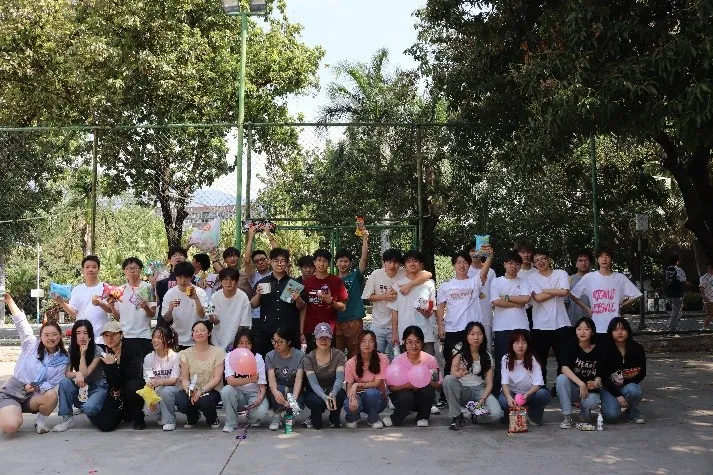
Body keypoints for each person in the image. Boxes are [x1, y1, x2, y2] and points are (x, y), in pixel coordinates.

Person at [0, 293, 68, 435]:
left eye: (54, 334)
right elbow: (20, 322)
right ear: (40, 337)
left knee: (51, 395)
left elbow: (52, 382)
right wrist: (9, 300)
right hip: (12, 391)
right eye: (46, 335)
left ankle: (40, 421)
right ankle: (9, 411)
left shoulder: (63, 359)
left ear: (60, 336)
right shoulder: (31, 344)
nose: (51, 338)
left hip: (33, 395)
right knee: (10, 427)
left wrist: (37, 386)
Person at [436, 247, 493, 402]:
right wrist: (440, 327)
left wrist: (489, 256)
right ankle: (446, 396)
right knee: (450, 361)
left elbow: (484, 273)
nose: (462, 265)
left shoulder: (474, 282)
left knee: (474, 361)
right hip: (452, 329)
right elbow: (440, 307)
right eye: (458, 262)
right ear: (454, 265)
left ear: (469, 265)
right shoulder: (446, 286)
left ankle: (479, 393)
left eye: (465, 262)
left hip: (471, 331)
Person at [362, 248, 432, 357]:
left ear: (400, 264)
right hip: (378, 324)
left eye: (395, 262)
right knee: (374, 356)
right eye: (389, 262)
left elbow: (428, 274)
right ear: (383, 263)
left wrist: (409, 285)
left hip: (397, 326)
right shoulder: (376, 274)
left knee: (395, 358)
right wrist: (384, 296)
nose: (392, 265)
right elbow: (367, 297)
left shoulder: (403, 272)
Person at [442, 321, 503, 430]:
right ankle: (456, 416)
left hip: (479, 390)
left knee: (497, 414)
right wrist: (459, 374)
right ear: (467, 336)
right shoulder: (459, 351)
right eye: (472, 334)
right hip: (462, 389)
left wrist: (483, 399)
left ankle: (472, 415)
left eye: (479, 334)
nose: (476, 337)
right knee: (448, 379)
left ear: (483, 336)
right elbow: (452, 372)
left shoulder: (487, 356)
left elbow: (489, 383)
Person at [569, 247, 642, 334]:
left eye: (607, 256)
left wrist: (621, 305)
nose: (604, 259)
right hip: (596, 325)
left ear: (611, 259)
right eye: (601, 256)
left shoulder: (620, 277)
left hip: (615, 326)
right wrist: (587, 309)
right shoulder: (589, 277)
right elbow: (573, 295)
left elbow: (636, 295)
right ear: (597, 259)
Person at [490, 250, 531, 395]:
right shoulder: (497, 281)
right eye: (510, 263)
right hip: (502, 328)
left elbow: (525, 299)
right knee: (502, 362)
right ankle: (499, 394)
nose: (514, 266)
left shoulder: (524, 282)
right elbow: (496, 301)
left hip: (521, 326)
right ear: (505, 264)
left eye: (517, 264)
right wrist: (516, 302)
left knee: (523, 361)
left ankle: (524, 393)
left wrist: (506, 297)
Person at [53, 320, 107, 432]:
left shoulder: (98, 350)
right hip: (82, 386)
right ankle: (67, 419)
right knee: (64, 382)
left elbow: (85, 373)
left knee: (90, 409)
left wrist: (83, 355)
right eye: (78, 333)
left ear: (90, 335)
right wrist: (77, 374)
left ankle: (90, 407)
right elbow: (67, 373)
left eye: (85, 333)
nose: (82, 337)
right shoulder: (72, 349)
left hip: (98, 387)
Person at [528, 249, 571, 388]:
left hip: (561, 324)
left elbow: (565, 292)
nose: (540, 262)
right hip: (540, 326)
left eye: (543, 258)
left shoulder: (561, 273)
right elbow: (538, 298)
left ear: (548, 259)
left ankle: (560, 389)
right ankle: (541, 389)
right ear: (533, 264)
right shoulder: (532, 277)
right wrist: (556, 290)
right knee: (540, 362)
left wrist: (545, 290)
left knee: (564, 361)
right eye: (536, 260)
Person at [94, 321, 146, 431]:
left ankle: (138, 418)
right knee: (104, 425)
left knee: (133, 386)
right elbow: (111, 383)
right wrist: (111, 366)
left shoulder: (133, 349)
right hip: (116, 392)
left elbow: (134, 375)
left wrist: (115, 367)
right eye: (106, 335)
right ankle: (124, 413)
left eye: (113, 334)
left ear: (121, 334)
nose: (110, 338)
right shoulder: (105, 353)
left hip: (133, 390)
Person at [252, 248, 305, 355]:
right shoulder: (262, 282)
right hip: (267, 330)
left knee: (291, 359)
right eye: (276, 261)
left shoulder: (294, 283)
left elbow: (301, 306)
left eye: (283, 261)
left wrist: (298, 299)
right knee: (267, 359)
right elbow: (253, 305)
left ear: (287, 263)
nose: (279, 264)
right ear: (270, 262)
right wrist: (258, 295)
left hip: (289, 331)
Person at [387, 326, 442, 427]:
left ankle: (422, 417)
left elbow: (438, 386)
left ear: (422, 343)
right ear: (404, 343)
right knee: (407, 396)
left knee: (427, 391)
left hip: (422, 398)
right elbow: (391, 387)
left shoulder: (430, 360)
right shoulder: (397, 360)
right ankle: (395, 418)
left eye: (417, 342)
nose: (413, 345)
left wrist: (424, 380)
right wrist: (409, 385)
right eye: (409, 342)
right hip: (403, 398)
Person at [175, 320, 225, 428]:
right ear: (192, 334)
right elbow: (185, 379)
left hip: (211, 390)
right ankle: (192, 417)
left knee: (205, 401)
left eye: (202, 330)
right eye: (196, 331)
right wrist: (189, 391)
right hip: (192, 389)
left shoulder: (218, 352)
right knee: (181, 400)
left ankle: (212, 418)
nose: (199, 333)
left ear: (209, 333)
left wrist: (200, 391)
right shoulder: (185, 353)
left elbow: (217, 379)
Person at [52, 255, 111, 346]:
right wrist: (61, 302)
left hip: (101, 338)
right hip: (82, 338)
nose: (90, 269)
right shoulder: (77, 289)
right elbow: (73, 313)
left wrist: (99, 303)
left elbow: (111, 309)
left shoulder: (105, 287)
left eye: (94, 267)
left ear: (99, 269)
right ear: (83, 270)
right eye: (87, 267)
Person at [555, 317, 602, 428]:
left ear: (592, 332)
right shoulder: (570, 345)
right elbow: (564, 368)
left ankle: (585, 410)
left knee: (592, 402)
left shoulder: (599, 348)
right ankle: (567, 417)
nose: (582, 332)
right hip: (573, 388)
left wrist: (596, 382)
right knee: (561, 379)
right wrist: (581, 384)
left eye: (586, 329)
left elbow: (602, 372)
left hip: (590, 390)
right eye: (579, 329)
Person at [498, 330, 551, 425]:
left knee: (544, 394)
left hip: (529, 393)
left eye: (524, 342)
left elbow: (538, 384)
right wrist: (509, 397)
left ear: (528, 344)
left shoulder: (533, 359)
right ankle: (511, 415)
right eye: (517, 342)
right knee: (504, 402)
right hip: (512, 392)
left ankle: (533, 414)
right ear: (511, 344)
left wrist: (526, 394)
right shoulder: (505, 358)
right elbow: (504, 383)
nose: (520, 346)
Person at [388, 250, 437, 355]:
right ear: (404, 265)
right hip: (405, 334)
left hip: (425, 335)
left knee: (428, 364)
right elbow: (394, 311)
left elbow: (431, 309)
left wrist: (426, 312)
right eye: (408, 261)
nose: (412, 264)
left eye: (415, 261)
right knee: (406, 365)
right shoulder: (397, 285)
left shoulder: (429, 284)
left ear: (421, 264)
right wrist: (394, 333)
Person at [221, 328, 269, 432]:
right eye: (241, 343)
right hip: (237, 393)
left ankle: (252, 417)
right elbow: (230, 381)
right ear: (236, 344)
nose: (244, 346)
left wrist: (259, 399)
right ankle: (231, 423)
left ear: (252, 344)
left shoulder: (258, 358)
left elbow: (262, 385)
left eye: (248, 343)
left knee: (261, 412)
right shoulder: (230, 356)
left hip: (254, 393)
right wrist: (250, 379)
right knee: (226, 390)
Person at [599, 317, 647, 423]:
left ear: (628, 331)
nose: (619, 333)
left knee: (634, 390)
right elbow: (603, 376)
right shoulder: (605, 349)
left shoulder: (637, 348)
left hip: (627, 385)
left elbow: (642, 372)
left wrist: (626, 382)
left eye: (623, 329)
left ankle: (632, 412)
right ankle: (607, 405)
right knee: (611, 417)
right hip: (609, 387)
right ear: (610, 332)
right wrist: (617, 395)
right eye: (615, 330)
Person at [300, 249, 348, 353]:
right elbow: (303, 308)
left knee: (329, 360)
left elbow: (343, 307)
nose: (321, 264)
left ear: (329, 264)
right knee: (311, 360)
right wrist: (301, 332)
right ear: (314, 262)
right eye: (319, 260)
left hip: (329, 330)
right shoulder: (306, 283)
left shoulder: (336, 281)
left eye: (325, 261)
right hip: (310, 330)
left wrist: (330, 302)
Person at [344, 330, 391, 429]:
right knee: (349, 401)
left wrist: (356, 385)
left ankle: (373, 418)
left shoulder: (382, 359)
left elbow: (376, 383)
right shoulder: (351, 362)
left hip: (377, 398)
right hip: (358, 395)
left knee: (372, 393)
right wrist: (352, 399)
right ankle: (353, 417)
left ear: (375, 344)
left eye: (371, 341)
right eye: (364, 341)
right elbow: (349, 389)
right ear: (359, 343)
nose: (367, 344)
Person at [303, 323, 347, 429]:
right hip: (314, 391)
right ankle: (314, 417)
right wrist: (325, 397)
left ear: (331, 339)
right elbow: (313, 383)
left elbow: (339, 378)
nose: (324, 341)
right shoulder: (308, 358)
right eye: (320, 337)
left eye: (327, 337)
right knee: (317, 422)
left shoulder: (339, 355)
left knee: (340, 394)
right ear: (315, 339)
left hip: (332, 388)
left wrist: (333, 393)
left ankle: (334, 417)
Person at [334, 230, 369, 358]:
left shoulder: (356, 276)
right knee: (336, 355)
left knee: (355, 355)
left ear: (350, 263)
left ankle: (354, 372)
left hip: (354, 321)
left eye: (346, 261)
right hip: (336, 321)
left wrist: (364, 238)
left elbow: (363, 258)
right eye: (340, 261)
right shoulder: (332, 280)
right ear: (336, 262)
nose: (343, 264)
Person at [265, 326, 306, 431]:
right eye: (274, 341)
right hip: (279, 388)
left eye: (280, 342)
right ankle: (276, 414)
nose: (276, 345)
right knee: (279, 390)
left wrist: (294, 399)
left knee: (298, 403)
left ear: (289, 341)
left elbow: (298, 379)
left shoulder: (300, 356)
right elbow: (271, 379)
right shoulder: (270, 356)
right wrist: (275, 392)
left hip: (293, 388)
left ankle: (289, 414)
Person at [112, 257, 155, 357]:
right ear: (124, 271)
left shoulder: (148, 288)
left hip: (144, 336)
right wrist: (112, 307)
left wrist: (145, 307)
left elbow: (152, 314)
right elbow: (118, 317)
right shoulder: (119, 290)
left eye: (135, 268)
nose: (132, 270)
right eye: (128, 268)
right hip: (126, 336)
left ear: (140, 270)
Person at [161, 261, 208, 350]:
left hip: (196, 339)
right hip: (177, 339)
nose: (183, 281)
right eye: (180, 277)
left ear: (191, 277)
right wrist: (170, 309)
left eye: (186, 277)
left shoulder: (200, 292)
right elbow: (166, 318)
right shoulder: (170, 293)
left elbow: (203, 315)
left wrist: (196, 299)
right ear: (176, 277)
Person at [142, 327, 180, 431]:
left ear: (168, 340)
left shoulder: (175, 357)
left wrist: (159, 382)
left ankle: (170, 420)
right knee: (148, 410)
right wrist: (151, 397)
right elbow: (149, 380)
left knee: (165, 390)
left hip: (174, 390)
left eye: (159, 337)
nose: (155, 340)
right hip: (157, 390)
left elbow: (173, 380)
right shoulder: (149, 358)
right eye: (154, 337)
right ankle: (162, 414)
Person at [209, 267, 252, 351]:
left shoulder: (243, 297)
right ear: (221, 281)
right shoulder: (215, 296)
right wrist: (210, 315)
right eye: (225, 279)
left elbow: (244, 325)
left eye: (232, 279)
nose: (228, 283)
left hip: (235, 343)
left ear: (237, 281)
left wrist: (238, 343)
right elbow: (215, 321)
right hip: (217, 340)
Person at [467, 242, 497, 351]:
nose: (475, 253)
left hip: (486, 315)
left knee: (486, 348)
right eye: (472, 251)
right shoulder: (464, 270)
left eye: (478, 250)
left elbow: (494, 294)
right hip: (468, 316)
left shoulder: (491, 272)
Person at [155, 246, 188, 328]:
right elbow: (157, 302)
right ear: (169, 260)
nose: (178, 257)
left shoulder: (192, 277)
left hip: (185, 320)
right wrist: (153, 285)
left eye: (180, 254)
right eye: (174, 255)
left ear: (185, 258)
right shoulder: (162, 278)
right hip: (165, 321)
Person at [565, 250, 593, 326]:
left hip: (592, 322)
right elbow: (564, 304)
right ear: (576, 263)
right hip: (573, 322)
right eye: (580, 260)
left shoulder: (596, 279)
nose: (583, 263)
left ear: (590, 263)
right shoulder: (569, 280)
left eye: (586, 260)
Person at [515, 239, 536, 330]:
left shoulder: (537, 272)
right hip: (518, 310)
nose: (526, 255)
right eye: (522, 252)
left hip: (536, 311)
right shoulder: (513, 272)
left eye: (528, 252)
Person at [665, 254, 688, 331]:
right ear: (677, 261)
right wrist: (688, 284)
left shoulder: (668, 270)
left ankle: (673, 327)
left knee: (676, 311)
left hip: (669, 293)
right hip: (677, 294)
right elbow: (683, 281)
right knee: (677, 312)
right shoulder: (679, 270)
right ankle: (672, 328)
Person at [700, 263, 713, 329]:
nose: (710, 269)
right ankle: (705, 328)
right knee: (710, 314)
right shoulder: (704, 277)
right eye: (709, 268)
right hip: (708, 298)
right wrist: (704, 297)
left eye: (711, 268)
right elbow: (701, 288)